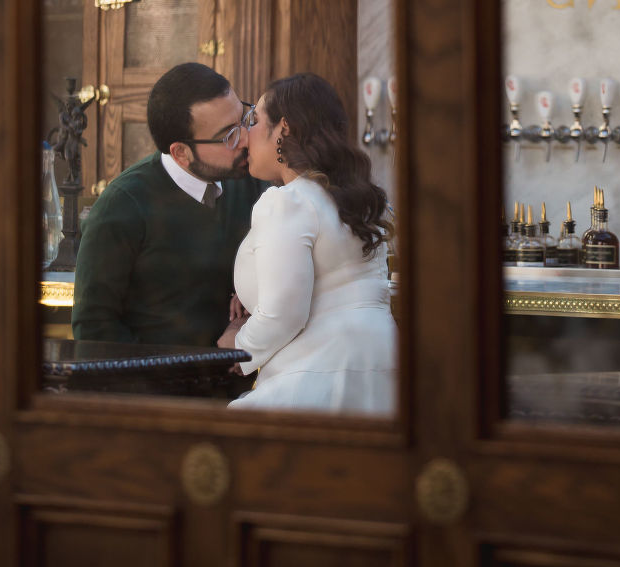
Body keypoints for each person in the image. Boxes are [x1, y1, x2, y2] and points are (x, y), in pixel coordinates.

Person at [218, 72, 397, 414]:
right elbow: (332, 280)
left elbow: (284, 312)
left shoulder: (287, 201)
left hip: (322, 373)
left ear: (283, 129)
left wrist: (238, 348)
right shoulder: (355, 197)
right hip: (381, 367)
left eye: (255, 120)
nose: (244, 136)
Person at [73, 63, 264, 346]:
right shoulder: (122, 206)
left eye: (245, 119)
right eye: (229, 136)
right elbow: (93, 328)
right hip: (157, 385)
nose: (245, 138)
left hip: (243, 382)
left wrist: (247, 320)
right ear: (181, 153)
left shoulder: (254, 180)